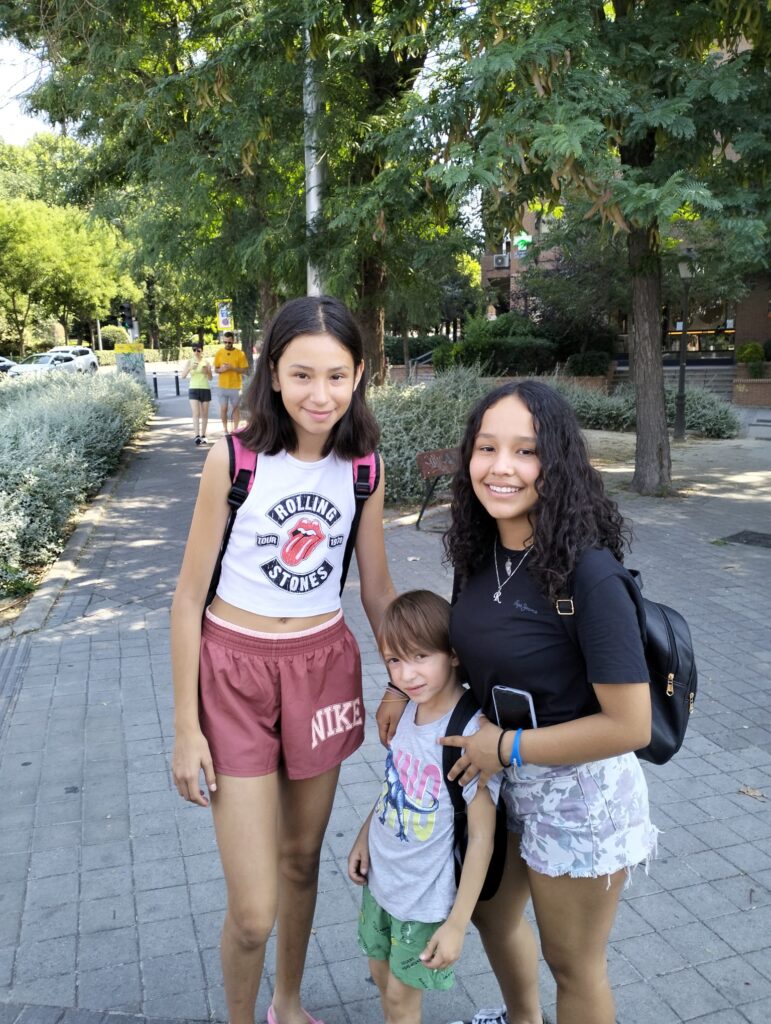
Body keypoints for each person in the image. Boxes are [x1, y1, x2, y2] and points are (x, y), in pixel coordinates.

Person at [171, 296, 396, 1024]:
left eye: (336, 375)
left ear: (359, 374)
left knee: (302, 860)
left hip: (320, 666)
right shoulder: (233, 459)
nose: (319, 394)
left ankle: (287, 1004)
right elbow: (185, 600)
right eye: (301, 374)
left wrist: (410, 682)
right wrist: (185, 728)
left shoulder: (363, 467)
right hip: (233, 673)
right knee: (253, 911)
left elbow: (377, 585)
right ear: (271, 373)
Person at [422, 379, 655, 1024]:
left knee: (573, 962)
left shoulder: (590, 574)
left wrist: (504, 746)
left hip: (580, 791)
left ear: (556, 464)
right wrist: (400, 683)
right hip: (502, 778)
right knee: (495, 917)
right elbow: (472, 647)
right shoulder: (481, 548)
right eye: (487, 447)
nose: (501, 467)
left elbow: (630, 725)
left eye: (525, 452)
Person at [349, 590, 501, 1024]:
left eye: (420, 656)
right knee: (379, 972)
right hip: (383, 879)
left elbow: (483, 839)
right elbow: (393, 785)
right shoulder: (406, 714)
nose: (407, 674)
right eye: (395, 661)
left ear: (452, 654)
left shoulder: (468, 733)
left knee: (401, 998)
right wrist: (363, 837)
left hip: (426, 898)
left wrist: (456, 923)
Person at [214, 330, 249, 433]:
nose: (227, 344)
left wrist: (232, 368)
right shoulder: (219, 353)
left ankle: (235, 430)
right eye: (225, 342)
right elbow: (216, 369)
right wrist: (220, 370)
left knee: (235, 408)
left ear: (233, 341)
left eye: (229, 342)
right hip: (222, 386)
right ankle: (225, 429)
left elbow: (244, 370)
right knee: (224, 409)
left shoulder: (240, 354)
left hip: (235, 386)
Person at [180, 341, 212, 444]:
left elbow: (210, 378)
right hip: (193, 389)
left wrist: (207, 371)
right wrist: (190, 368)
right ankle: (197, 435)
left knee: (205, 414)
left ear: (202, 350)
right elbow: (183, 376)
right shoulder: (190, 361)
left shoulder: (206, 362)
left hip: (205, 389)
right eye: (194, 350)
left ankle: (204, 435)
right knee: (196, 413)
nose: (196, 352)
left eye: (198, 350)